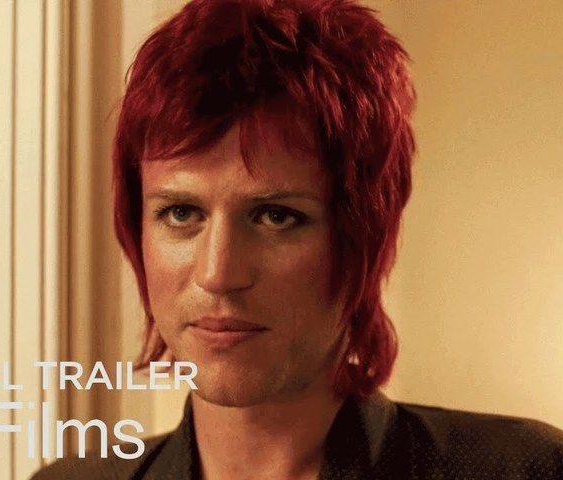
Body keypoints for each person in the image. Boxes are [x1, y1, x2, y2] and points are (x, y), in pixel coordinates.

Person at [31, 0, 563, 478]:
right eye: (181, 212)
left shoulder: (522, 469)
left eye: (276, 217)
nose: (218, 273)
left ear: (361, 238)